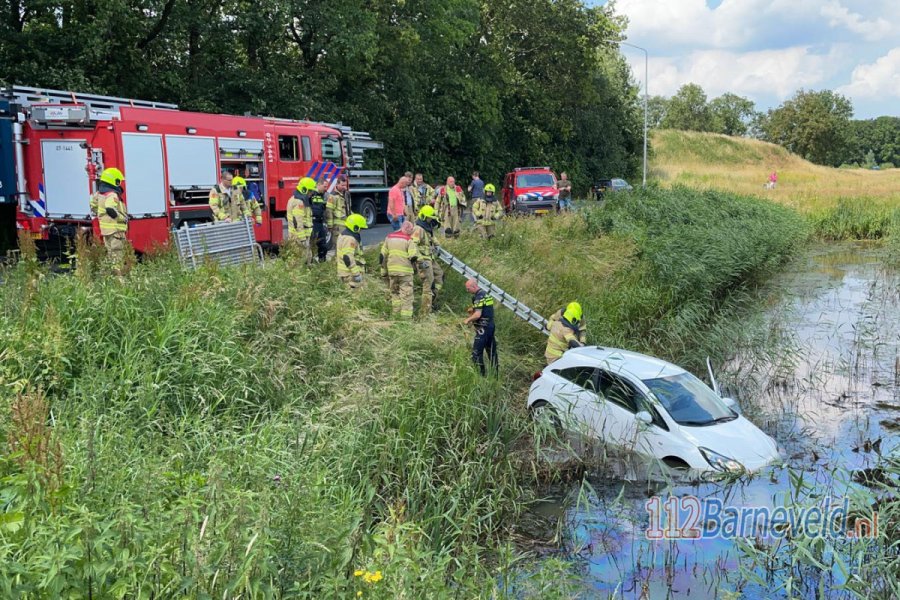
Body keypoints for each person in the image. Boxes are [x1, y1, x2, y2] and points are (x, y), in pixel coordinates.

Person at [90, 167, 128, 274]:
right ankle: (119, 282)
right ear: (113, 181)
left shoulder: (99, 194)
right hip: (116, 230)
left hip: (106, 230)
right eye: (118, 181)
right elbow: (110, 209)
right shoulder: (112, 195)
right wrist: (122, 218)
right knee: (117, 257)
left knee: (110, 254)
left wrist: (101, 215)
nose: (119, 184)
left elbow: (93, 205)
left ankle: (105, 277)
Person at [380, 220, 419, 319]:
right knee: (406, 296)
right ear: (408, 229)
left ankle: (395, 315)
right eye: (411, 230)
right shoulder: (409, 240)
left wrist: (384, 270)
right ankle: (406, 320)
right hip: (405, 273)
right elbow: (413, 257)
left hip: (392, 272)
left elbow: (382, 256)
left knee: (395, 293)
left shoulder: (389, 237)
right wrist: (416, 268)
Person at [411, 205, 444, 313]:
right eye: (429, 218)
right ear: (424, 217)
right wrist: (420, 260)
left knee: (439, 275)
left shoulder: (427, 228)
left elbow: (432, 238)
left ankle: (432, 300)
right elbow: (412, 245)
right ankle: (425, 312)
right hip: (424, 260)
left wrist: (437, 245)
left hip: (430, 258)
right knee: (428, 284)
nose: (431, 220)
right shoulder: (418, 229)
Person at [462, 278, 498, 376]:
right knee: (492, 352)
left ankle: (481, 376)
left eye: (468, 289)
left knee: (476, 354)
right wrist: (472, 310)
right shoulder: (485, 294)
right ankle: (495, 376)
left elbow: (478, 314)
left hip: (483, 327)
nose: (467, 291)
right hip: (490, 325)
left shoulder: (478, 297)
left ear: (474, 286)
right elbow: (485, 308)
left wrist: (467, 320)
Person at [286, 177, 315, 262]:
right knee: (301, 260)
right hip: (299, 238)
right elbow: (298, 222)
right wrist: (303, 239)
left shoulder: (295, 199)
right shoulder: (299, 202)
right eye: (310, 191)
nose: (312, 194)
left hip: (298, 236)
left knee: (303, 258)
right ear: (304, 190)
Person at [336, 213, 368, 289]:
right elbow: (348, 258)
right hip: (349, 273)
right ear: (355, 227)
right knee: (356, 295)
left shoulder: (344, 234)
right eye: (361, 228)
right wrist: (356, 274)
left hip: (346, 272)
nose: (361, 231)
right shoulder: (350, 239)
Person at [326, 176, 350, 258]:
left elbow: (348, 209)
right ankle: (337, 263)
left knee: (345, 246)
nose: (344, 187)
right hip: (337, 227)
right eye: (342, 185)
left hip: (346, 224)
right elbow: (329, 211)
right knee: (338, 247)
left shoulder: (346, 194)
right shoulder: (332, 196)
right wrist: (330, 226)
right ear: (337, 184)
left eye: (345, 185)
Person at [308, 178, 330, 262]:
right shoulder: (311, 195)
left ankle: (322, 260)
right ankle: (311, 262)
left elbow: (325, 209)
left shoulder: (324, 195)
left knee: (323, 243)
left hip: (320, 222)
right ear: (318, 185)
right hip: (313, 222)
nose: (326, 188)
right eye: (324, 186)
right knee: (313, 243)